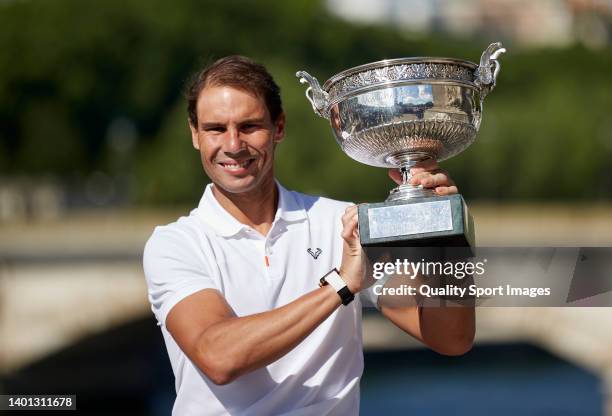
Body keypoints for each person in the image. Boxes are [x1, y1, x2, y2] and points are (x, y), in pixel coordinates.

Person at [143, 55, 474, 416]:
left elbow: (451, 338)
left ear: (279, 127)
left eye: (250, 126)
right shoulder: (174, 243)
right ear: (195, 135)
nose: (234, 144)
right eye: (216, 129)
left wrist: (445, 234)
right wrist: (341, 286)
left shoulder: (341, 222)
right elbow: (219, 357)